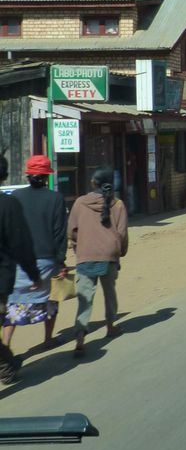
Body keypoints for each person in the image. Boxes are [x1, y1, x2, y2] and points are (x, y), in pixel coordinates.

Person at [7, 156, 68, 352]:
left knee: (12, 305)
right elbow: (60, 233)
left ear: (28, 175)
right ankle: (48, 339)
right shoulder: (55, 198)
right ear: (46, 177)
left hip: (18, 262)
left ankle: (5, 346)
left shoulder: (14, 196)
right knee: (50, 300)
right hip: (46, 260)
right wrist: (61, 261)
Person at [69, 167, 128, 357]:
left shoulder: (79, 203)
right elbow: (122, 233)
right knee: (110, 292)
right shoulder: (118, 204)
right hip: (109, 254)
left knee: (85, 298)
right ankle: (110, 326)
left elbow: (71, 231)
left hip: (86, 254)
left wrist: (78, 245)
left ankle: (80, 336)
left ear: (93, 183)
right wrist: (121, 252)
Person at [0, 154, 40, 384]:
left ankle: (8, 365)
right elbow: (20, 243)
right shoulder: (8, 204)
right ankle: (8, 365)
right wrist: (33, 273)